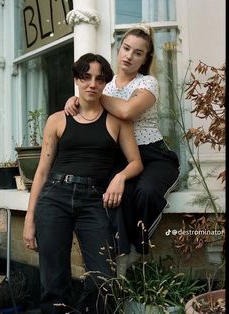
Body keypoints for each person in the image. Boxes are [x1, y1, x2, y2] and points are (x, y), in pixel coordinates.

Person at [23, 53, 143, 314]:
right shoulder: (56, 120)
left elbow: (136, 162)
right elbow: (42, 172)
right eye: (86, 77)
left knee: (103, 277)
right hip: (55, 197)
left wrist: (120, 177)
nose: (92, 84)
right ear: (77, 79)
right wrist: (30, 220)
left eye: (99, 79)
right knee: (53, 279)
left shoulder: (117, 121)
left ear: (105, 84)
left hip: (94, 200)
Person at [64, 25, 180, 276]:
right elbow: (88, 108)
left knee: (147, 192)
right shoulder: (104, 85)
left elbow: (127, 111)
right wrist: (75, 100)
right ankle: (121, 256)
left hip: (153, 155)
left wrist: (90, 95)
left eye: (138, 53)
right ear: (119, 49)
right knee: (115, 197)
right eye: (126, 48)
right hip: (120, 157)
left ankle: (139, 248)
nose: (129, 56)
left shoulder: (148, 83)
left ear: (145, 59)